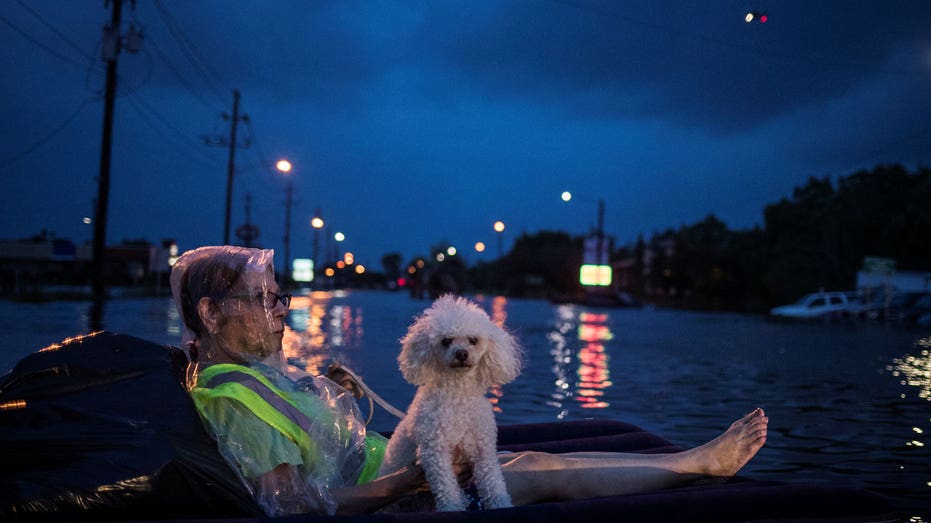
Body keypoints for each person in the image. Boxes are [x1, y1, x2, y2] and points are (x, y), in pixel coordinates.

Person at [170, 245, 769, 516]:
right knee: (527, 469)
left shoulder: (252, 374)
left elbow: (314, 445)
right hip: (387, 496)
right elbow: (295, 507)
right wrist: (406, 482)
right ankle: (700, 466)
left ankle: (688, 463)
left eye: (281, 297)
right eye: (264, 300)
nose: (281, 311)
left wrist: (335, 391)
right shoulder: (231, 396)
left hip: (383, 467)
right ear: (211, 313)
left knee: (532, 451)